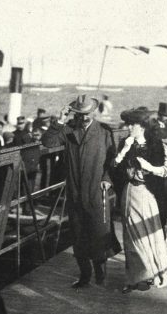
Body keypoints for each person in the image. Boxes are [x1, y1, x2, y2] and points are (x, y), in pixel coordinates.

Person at [41, 95, 121, 288]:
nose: (83, 117)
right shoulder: (68, 130)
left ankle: (100, 272)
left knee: (99, 232)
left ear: (93, 112)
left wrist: (107, 179)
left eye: (86, 114)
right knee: (78, 234)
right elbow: (48, 142)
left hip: (97, 190)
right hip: (75, 191)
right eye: (79, 114)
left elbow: (114, 160)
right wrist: (59, 120)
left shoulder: (104, 132)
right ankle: (85, 275)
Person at [114, 107, 167, 293]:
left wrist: (149, 167)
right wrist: (124, 151)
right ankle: (135, 277)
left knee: (150, 234)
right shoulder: (125, 144)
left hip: (148, 194)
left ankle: (153, 272)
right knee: (131, 236)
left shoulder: (159, 146)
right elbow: (115, 165)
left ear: (141, 127)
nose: (127, 127)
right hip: (129, 193)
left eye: (131, 124)